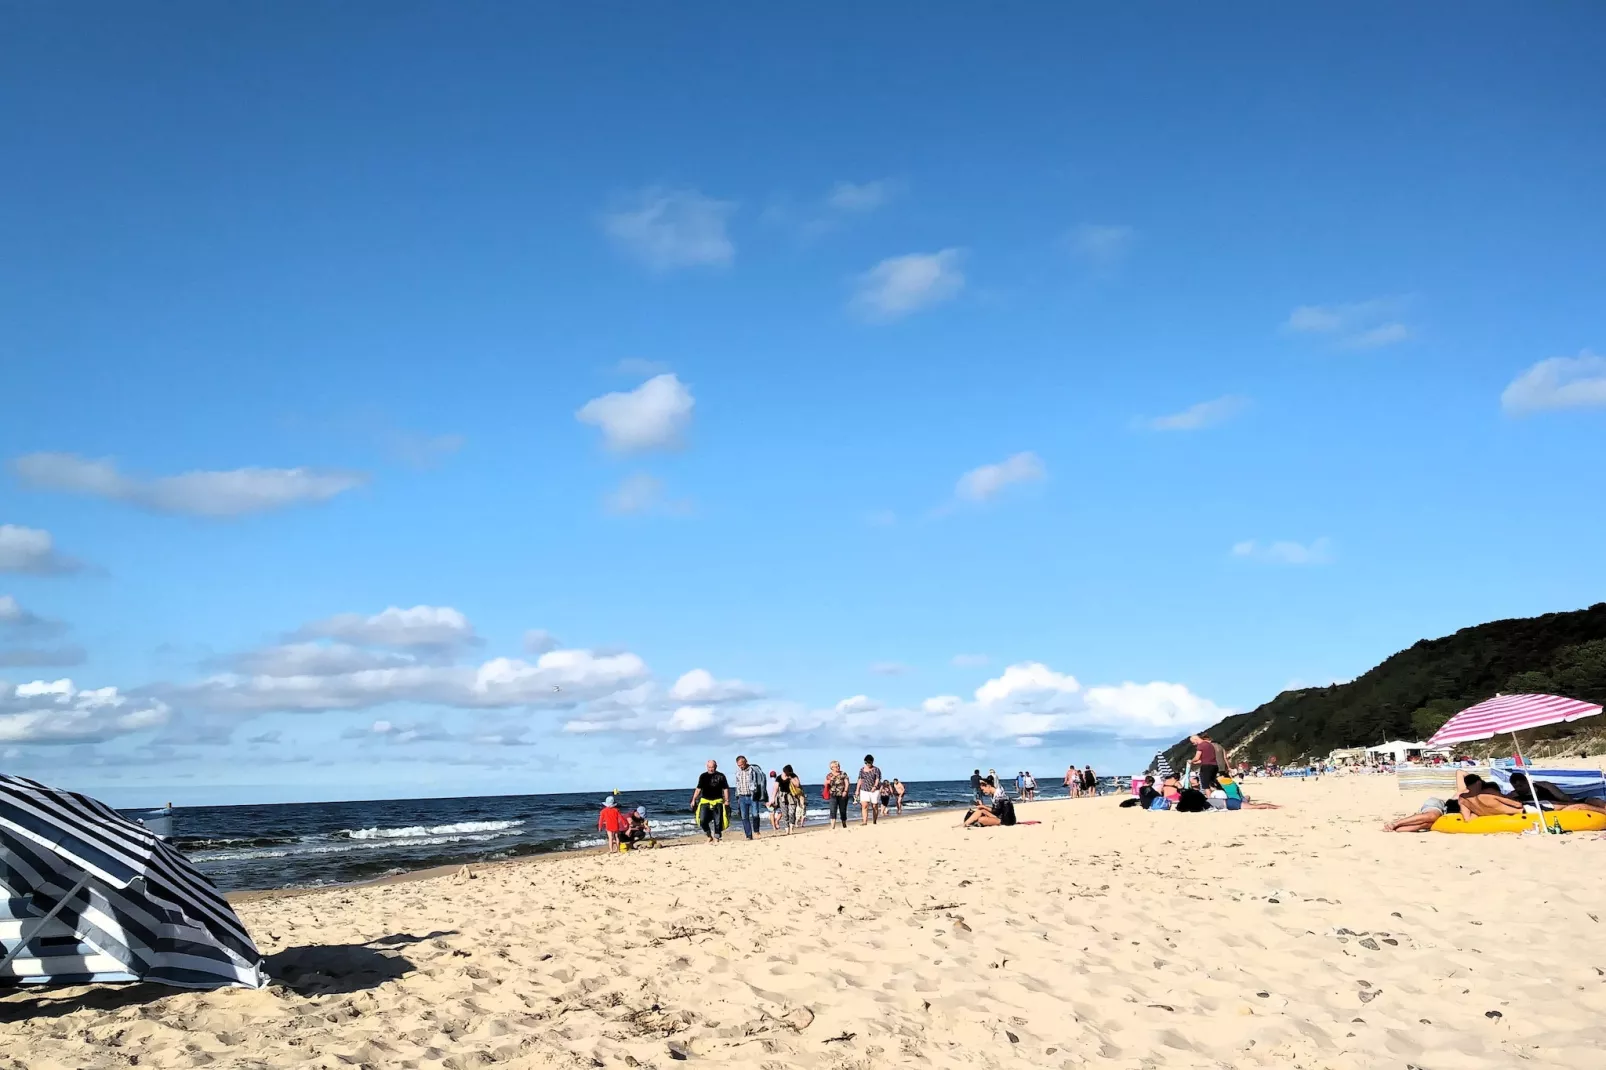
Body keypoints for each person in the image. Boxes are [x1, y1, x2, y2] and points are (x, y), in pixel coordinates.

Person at [690, 759, 730, 843]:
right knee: (702, 820)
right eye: (709, 767)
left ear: (716, 767)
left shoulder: (721, 776)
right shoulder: (703, 776)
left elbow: (725, 789)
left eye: (712, 767)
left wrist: (726, 800)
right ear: (706, 767)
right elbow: (698, 789)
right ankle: (709, 835)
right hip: (705, 801)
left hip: (718, 801)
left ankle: (717, 838)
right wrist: (693, 799)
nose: (711, 769)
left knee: (718, 821)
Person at [731, 755, 764, 840]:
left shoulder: (753, 770)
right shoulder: (737, 772)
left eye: (742, 764)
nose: (741, 766)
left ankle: (756, 831)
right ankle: (748, 835)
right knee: (744, 817)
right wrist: (737, 796)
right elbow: (737, 784)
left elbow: (760, 781)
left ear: (746, 762)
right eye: (739, 765)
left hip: (753, 795)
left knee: (755, 814)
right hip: (742, 796)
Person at [775, 764, 804, 833]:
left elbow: (797, 785)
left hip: (792, 796)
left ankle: (791, 829)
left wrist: (791, 778)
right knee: (785, 813)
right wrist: (773, 798)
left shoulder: (793, 776)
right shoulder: (779, 778)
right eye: (786, 773)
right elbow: (775, 788)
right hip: (782, 796)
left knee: (792, 812)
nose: (787, 774)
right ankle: (786, 829)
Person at [858, 754, 883, 826]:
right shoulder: (861, 770)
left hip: (874, 790)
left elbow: (877, 779)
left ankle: (874, 821)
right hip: (864, 789)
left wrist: (875, 786)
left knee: (874, 805)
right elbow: (860, 779)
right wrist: (857, 790)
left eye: (869, 763)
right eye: (866, 763)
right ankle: (864, 822)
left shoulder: (876, 769)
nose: (868, 764)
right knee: (864, 806)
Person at [826, 760, 852, 828]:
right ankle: (833, 826)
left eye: (838, 766)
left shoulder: (843, 773)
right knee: (832, 810)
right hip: (833, 795)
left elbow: (847, 783)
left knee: (843, 811)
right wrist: (830, 780)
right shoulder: (829, 775)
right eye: (836, 766)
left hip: (842, 795)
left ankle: (844, 824)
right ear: (832, 768)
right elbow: (825, 783)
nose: (838, 767)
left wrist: (845, 791)